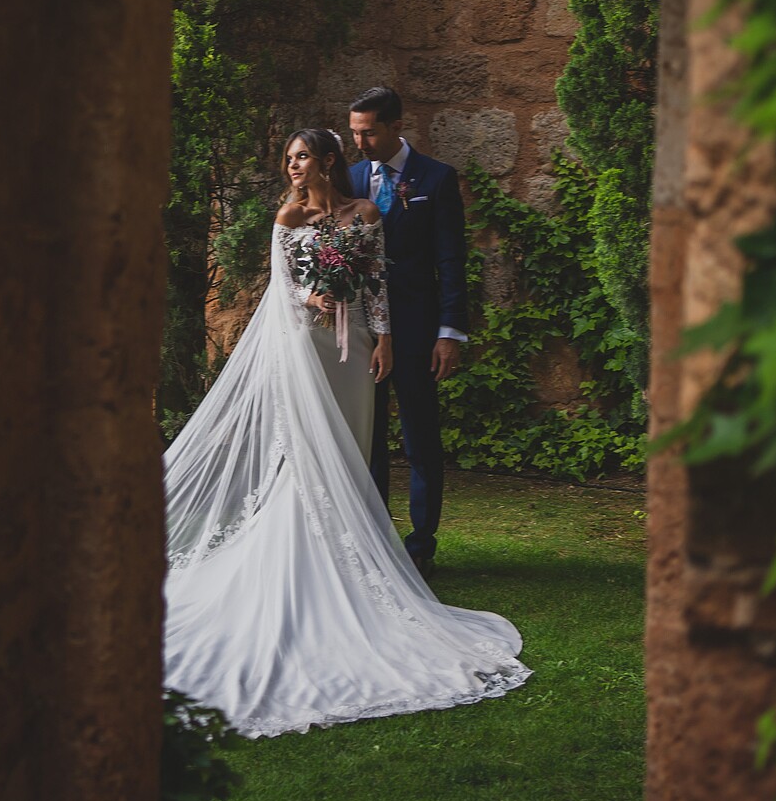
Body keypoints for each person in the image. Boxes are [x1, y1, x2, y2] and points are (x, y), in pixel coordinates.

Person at [162, 128, 528, 737]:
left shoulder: (362, 212)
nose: (293, 166)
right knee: (310, 454)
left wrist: (382, 338)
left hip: (354, 348)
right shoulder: (287, 213)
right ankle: (306, 566)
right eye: (287, 159)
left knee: (354, 452)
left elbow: (377, 283)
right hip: (306, 344)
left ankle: (352, 559)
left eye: (302, 156)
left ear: (328, 160)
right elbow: (279, 290)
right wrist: (312, 297)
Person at [346, 86, 467, 578]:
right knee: (367, 439)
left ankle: (421, 545)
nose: (361, 142)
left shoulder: (435, 180)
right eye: (355, 132)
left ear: (397, 125)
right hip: (360, 332)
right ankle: (375, 540)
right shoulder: (349, 177)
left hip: (417, 329)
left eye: (369, 132)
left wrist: (450, 332)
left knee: (420, 440)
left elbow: (450, 259)